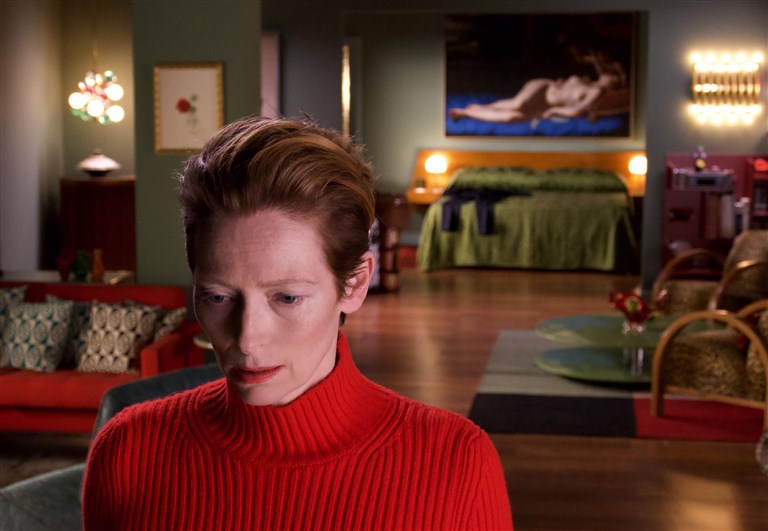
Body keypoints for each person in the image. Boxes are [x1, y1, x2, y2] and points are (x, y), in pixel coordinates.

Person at [81, 116, 513, 530]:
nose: (247, 339)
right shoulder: (127, 450)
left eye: (287, 297)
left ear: (355, 283)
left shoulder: (457, 463)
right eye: (218, 297)